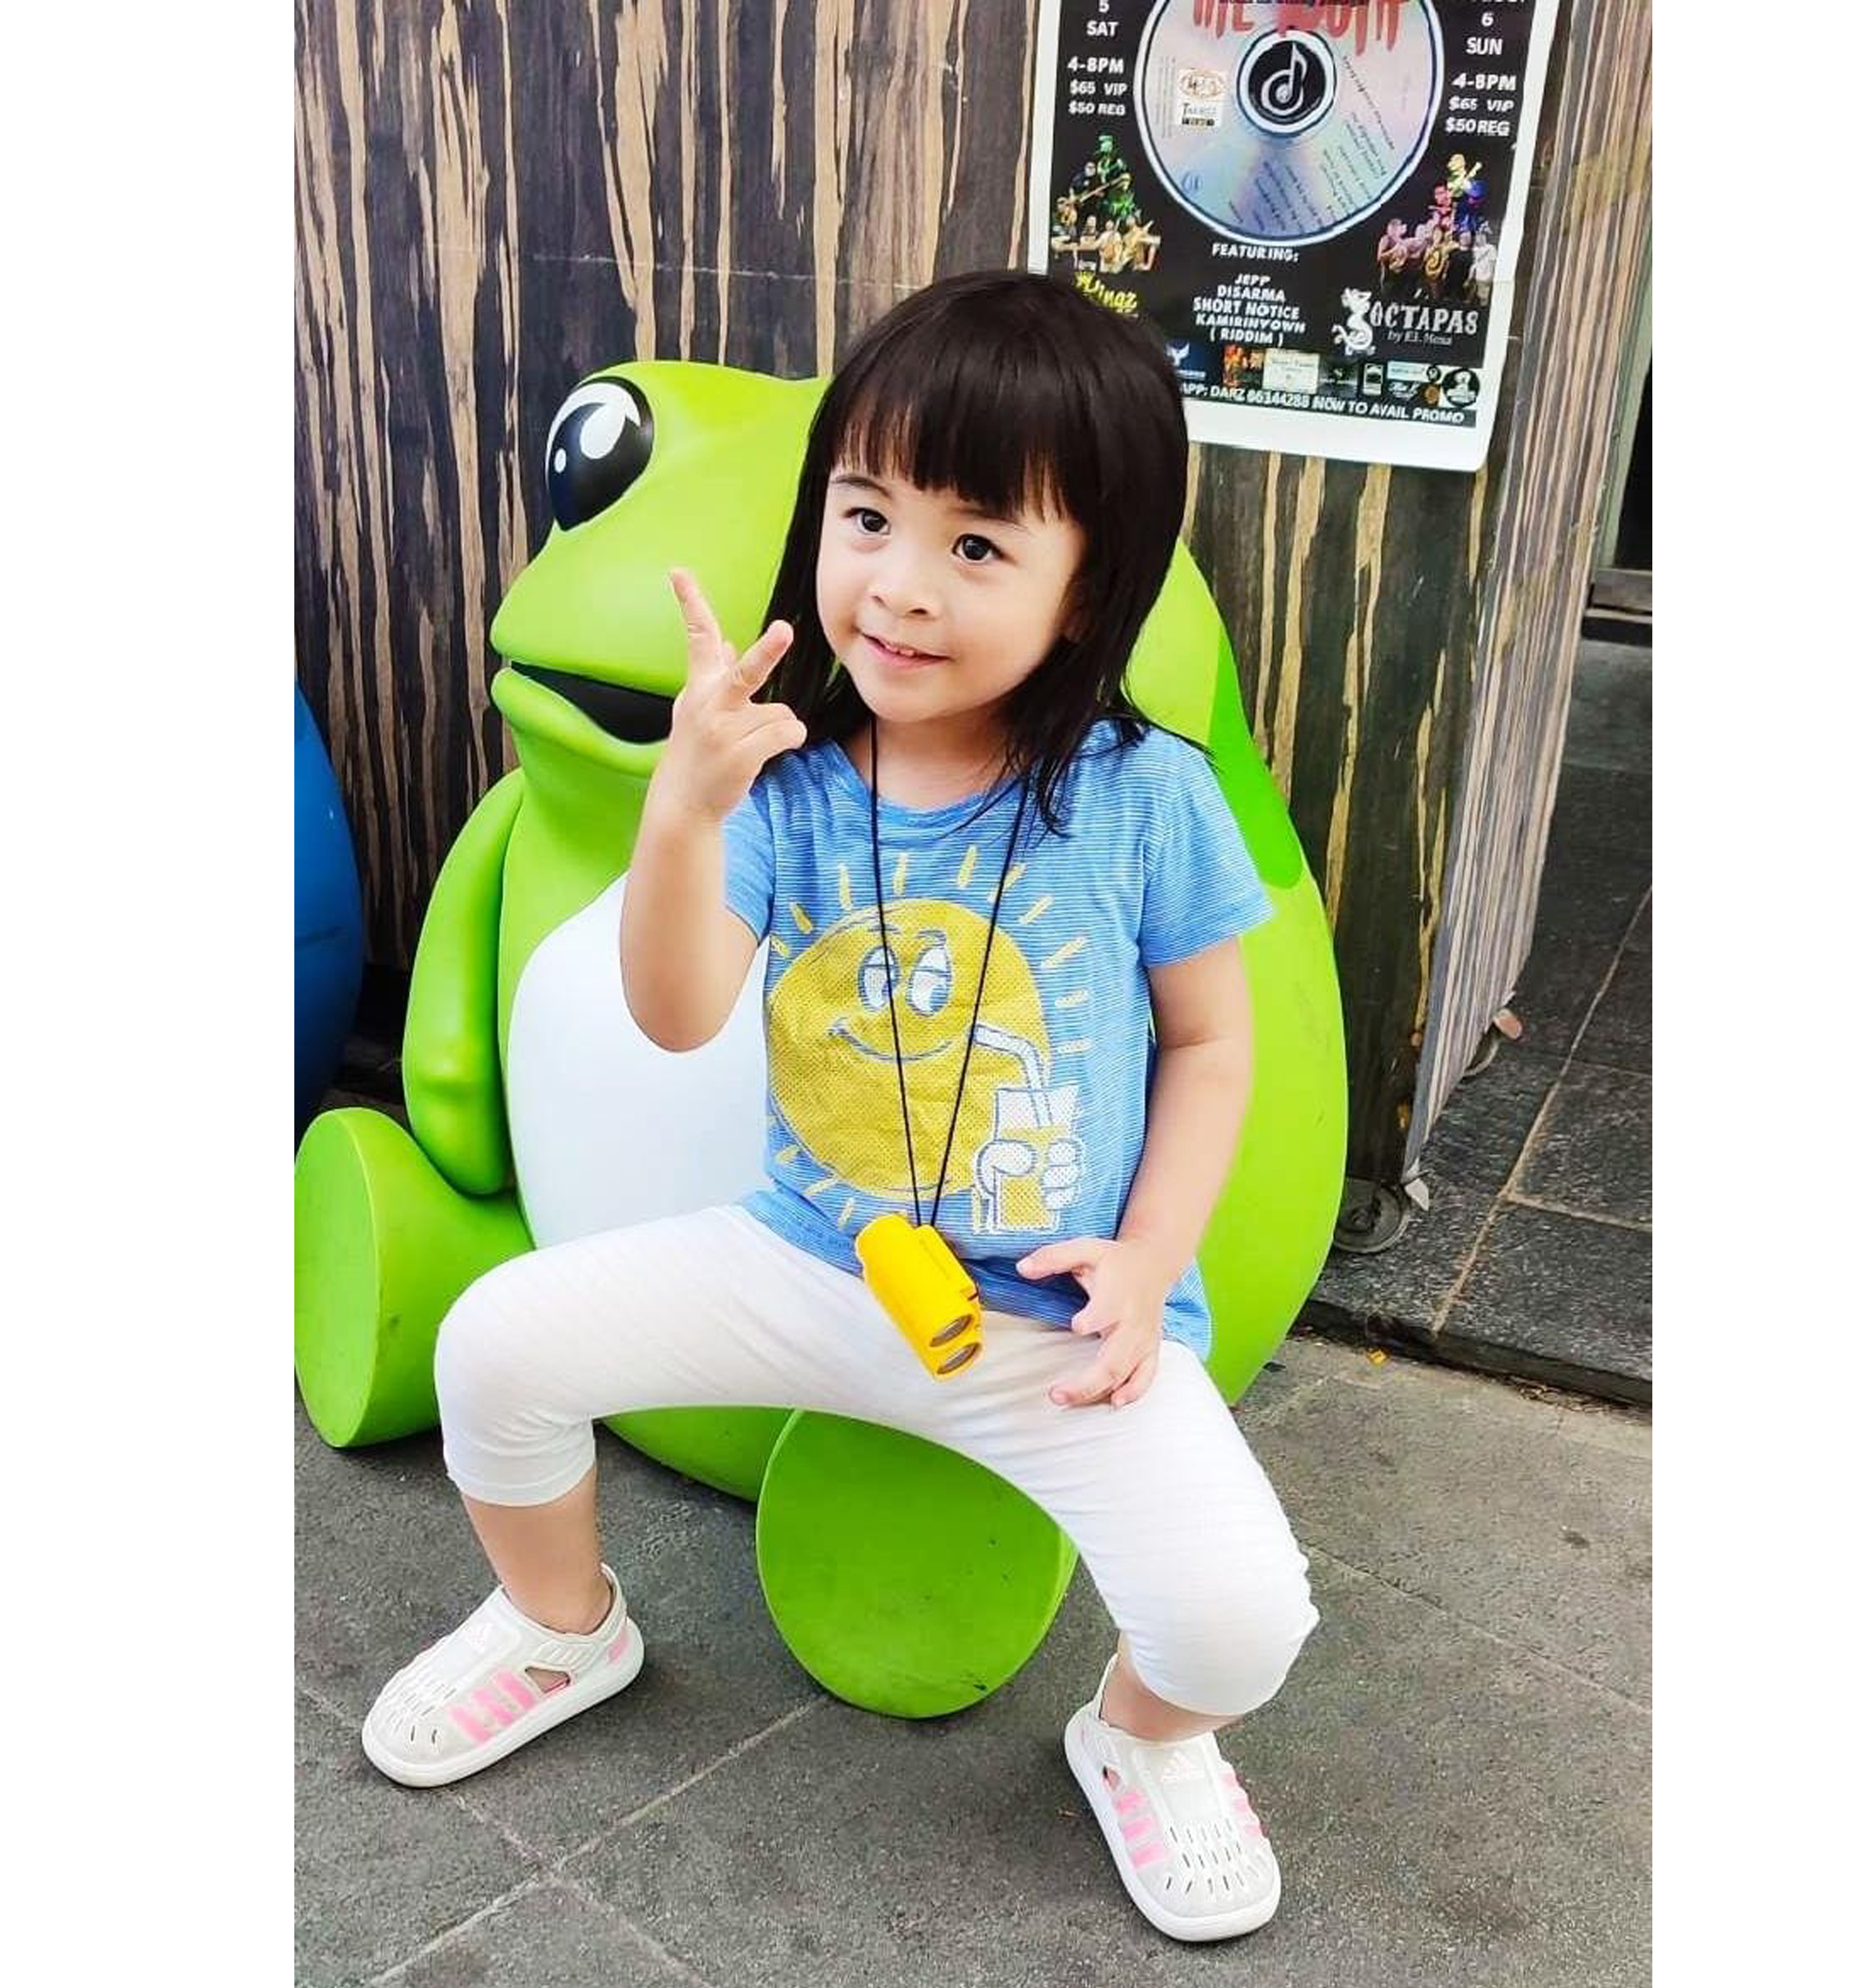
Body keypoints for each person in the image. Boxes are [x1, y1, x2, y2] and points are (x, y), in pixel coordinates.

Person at [358, 268, 1319, 1945]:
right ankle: (564, 1628)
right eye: (868, 516)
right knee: (496, 1344)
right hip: (807, 1259)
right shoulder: (789, 786)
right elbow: (673, 1015)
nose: (901, 584)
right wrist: (683, 812)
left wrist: (1151, 1262)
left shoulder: (1145, 797)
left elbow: (1212, 1046)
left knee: (1245, 1621)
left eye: (978, 544)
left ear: (1092, 586)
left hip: (1048, 1319)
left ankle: (1142, 1744)